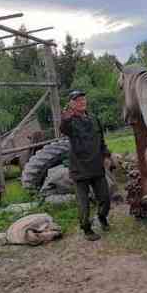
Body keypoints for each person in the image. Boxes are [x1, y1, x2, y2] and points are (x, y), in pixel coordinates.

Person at [60, 90, 113, 241]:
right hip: (79, 169)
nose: (81, 102)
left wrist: (107, 155)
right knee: (84, 204)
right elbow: (64, 129)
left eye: (83, 99)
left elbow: (101, 140)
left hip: (96, 166)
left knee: (105, 198)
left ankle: (102, 217)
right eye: (77, 100)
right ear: (71, 104)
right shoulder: (70, 121)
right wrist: (65, 120)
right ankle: (87, 229)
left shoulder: (94, 119)